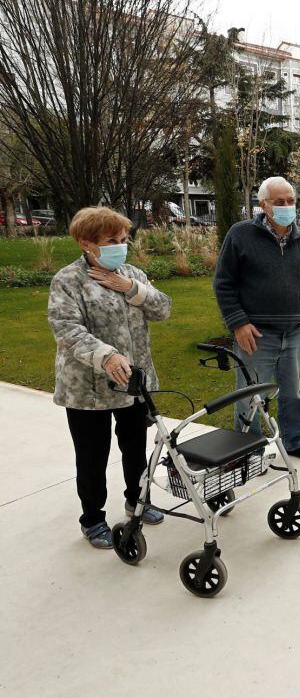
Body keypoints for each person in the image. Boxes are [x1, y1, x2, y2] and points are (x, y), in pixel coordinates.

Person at [48, 207, 173, 549]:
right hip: (88, 389)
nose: (120, 246)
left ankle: (138, 502)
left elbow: (163, 309)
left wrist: (132, 288)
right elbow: (66, 329)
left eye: (123, 239)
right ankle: (92, 519)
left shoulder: (131, 273)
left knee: (135, 448)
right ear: (85, 243)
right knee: (92, 456)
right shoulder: (68, 280)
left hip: (133, 383)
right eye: (111, 240)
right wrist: (107, 356)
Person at [214, 176, 300, 462]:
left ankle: (294, 441)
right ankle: (248, 450)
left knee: (293, 392)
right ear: (263, 204)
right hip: (256, 334)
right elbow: (224, 283)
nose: (287, 206)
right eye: (280, 202)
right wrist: (238, 323)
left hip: (295, 332)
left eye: (291, 201)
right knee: (249, 395)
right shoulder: (240, 235)